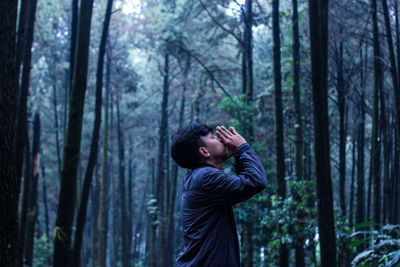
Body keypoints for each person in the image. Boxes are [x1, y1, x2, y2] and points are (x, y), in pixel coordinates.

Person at [171, 123, 266, 266]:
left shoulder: (199, 177)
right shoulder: (205, 177)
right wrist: (243, 148)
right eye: (213, 137)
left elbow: (244, 186)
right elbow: (255, 181)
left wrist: (238, 155)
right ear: (204, 151)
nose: (221, 139)